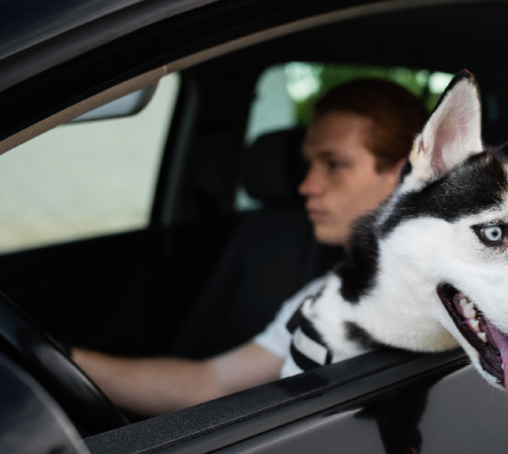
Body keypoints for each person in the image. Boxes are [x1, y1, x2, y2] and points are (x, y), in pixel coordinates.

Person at [72, 79, 429, 417]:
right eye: (308, 165)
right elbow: (214, 382)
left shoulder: (457, 292)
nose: (306, 186)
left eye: (333, 164)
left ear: (400, 176)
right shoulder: (322, 297)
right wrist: (70, 363)